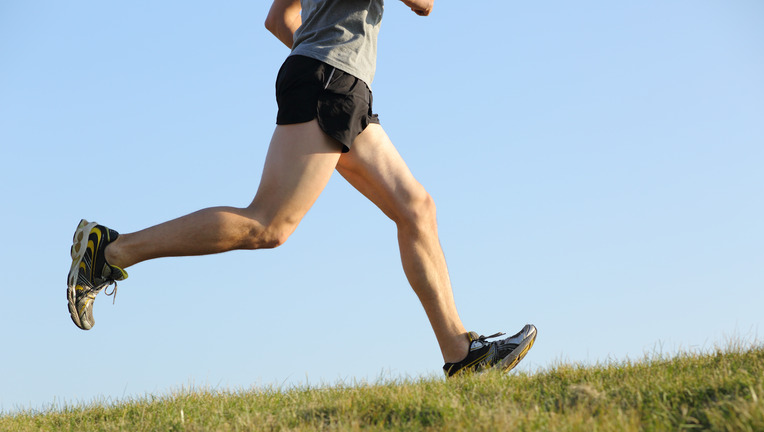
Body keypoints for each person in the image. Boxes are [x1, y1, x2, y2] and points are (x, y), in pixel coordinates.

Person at [66, 0, 537, 378]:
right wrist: (320, 57)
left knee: (416, 208)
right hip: (328, 81)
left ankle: (461, 353)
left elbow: (279, 19)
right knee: (269, 224)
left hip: (335, 80)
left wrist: (314, 50)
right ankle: (110, 252)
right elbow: (424, 3)